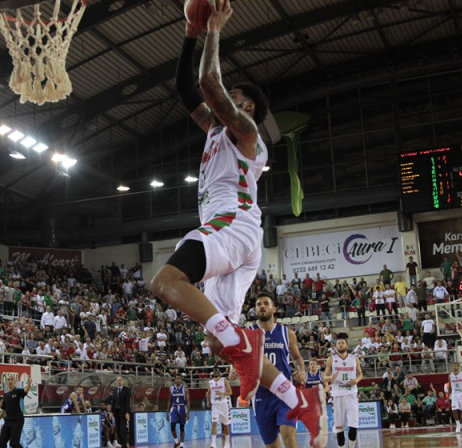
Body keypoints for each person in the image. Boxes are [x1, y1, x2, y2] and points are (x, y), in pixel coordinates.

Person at [150, 1, 326, 446]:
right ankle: (298, 398)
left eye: (238, 100)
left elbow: (209, 84)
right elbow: (186, 88)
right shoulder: (214, 129)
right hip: (240, 235)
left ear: (246, 108)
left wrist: (212, 29)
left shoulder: (247, 132)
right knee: (217, 342)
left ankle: (247, 351)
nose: (228, 104)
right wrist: (189, 33)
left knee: (166, 281)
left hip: (234, 223)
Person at [250, 293, 305, 448]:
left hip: (284, 391)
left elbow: (297, 357)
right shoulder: (248, 334)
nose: (262, 306)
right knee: (272, 445)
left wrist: (301, 370)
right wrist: (233, 368)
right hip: (261, 394)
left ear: (273, 308)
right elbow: (238, 357)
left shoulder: (287, 333)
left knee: (289, 436)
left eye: (266, 303)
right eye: (259, 304)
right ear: (255, 309)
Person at [325, 334, 363, 448]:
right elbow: (324, 376)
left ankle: (351, 446)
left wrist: (356, 380)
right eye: (338, 343)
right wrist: (331, 378)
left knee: (353, 423)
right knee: (339, 427)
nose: (340, 345)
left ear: (346, 344)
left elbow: (361, 374)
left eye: (342, 343)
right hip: (337, 395)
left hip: (351, 394)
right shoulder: (331, 359)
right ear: (336, 346)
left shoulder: (354, 358)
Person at [0, 375, 33, 448]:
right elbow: (3, 410)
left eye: (12, 379)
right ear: (7, 382)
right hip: (8, 421)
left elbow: (26, 389)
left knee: (13, 443)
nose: (10, 381)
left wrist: (29, 383)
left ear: (15, 381)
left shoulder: (18, 391)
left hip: (17, 421)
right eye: (8, 379)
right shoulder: (6, 395)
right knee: (2, 442)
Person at [207, 369, 232, 448]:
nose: (216, 374)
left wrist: (222, 394)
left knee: (226, 424)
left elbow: (230, 392)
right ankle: (213, 443)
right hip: (215, 405)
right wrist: (208, 401)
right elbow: (208, 393)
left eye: (217, 373)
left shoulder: (224, 380)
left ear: (220, 374)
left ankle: (227, 443)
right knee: (214, 423)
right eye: (214, 373)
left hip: (223, 404)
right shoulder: (210, 382)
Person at [167, 373, 190, 448]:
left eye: (179, 378)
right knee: (172, 426)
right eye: (177, 378)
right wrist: (167, 413)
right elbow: (169, 401)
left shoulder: (185, 388)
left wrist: (188, 413)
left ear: (181, 380)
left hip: (182, 408)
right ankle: (177, 442)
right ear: (175, 380)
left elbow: (188, 401)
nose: (178, 380)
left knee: (182, 427)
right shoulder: (171, 388)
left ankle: (182, 445)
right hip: (174, 408)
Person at [448, 362, 462, 433]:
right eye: (453, 365)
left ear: (458, 367)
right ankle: (458, 425)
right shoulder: (450, 376)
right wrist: (448, 395)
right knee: (454, 409)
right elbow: (450, 387)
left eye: (456, 365)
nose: (455, 367)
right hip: (454, 394)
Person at [112, 376, 131, 448]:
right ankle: (121, 443)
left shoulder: (126, 390)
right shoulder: (115, 390)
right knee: (118, 429)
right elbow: (113, 402)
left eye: (120, 380)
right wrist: (111, 412)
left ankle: (124, 444)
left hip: (123, 412)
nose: (119, 382)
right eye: (118, 380)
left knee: (123, 429)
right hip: (116, 412)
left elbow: (127, 402)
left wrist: (127, 412)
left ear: (123, 381)